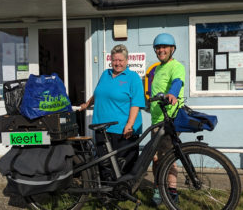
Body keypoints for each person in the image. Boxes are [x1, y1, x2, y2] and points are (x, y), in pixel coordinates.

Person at [79, 44, 145, 179]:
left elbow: (136, 103)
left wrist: (130, 124)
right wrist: (87, 103)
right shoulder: (105, 74)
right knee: (104, 163)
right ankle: (107, 193)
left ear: (127, 61)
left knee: (123, 164)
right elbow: (98, 93)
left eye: (120, 60)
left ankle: (124, 192)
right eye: (115, 60)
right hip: (101, 128)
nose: (117, 63)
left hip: (122, 129)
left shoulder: (133, 77)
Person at [150, 33, 185, 206]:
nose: (161, 50)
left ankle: (172, 192)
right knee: (156, 158)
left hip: (169, 120)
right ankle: (158, 188)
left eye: (164, 47)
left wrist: (173, 93)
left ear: (172, 49)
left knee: (169, 158)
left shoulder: (176, 66)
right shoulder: (157, 69)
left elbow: (177, 82)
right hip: (156, 120)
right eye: (158, 47)